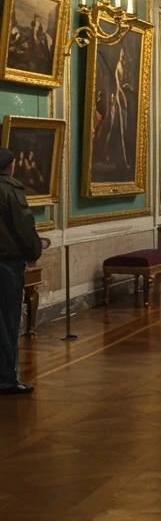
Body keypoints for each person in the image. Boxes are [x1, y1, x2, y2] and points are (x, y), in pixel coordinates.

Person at [0, 147, 43, 395]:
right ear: (11, 165)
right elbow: (23, 226)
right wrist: (34, 251)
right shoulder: (10, 190)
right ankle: (7, 378)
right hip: (6, 266)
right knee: (8, 321)